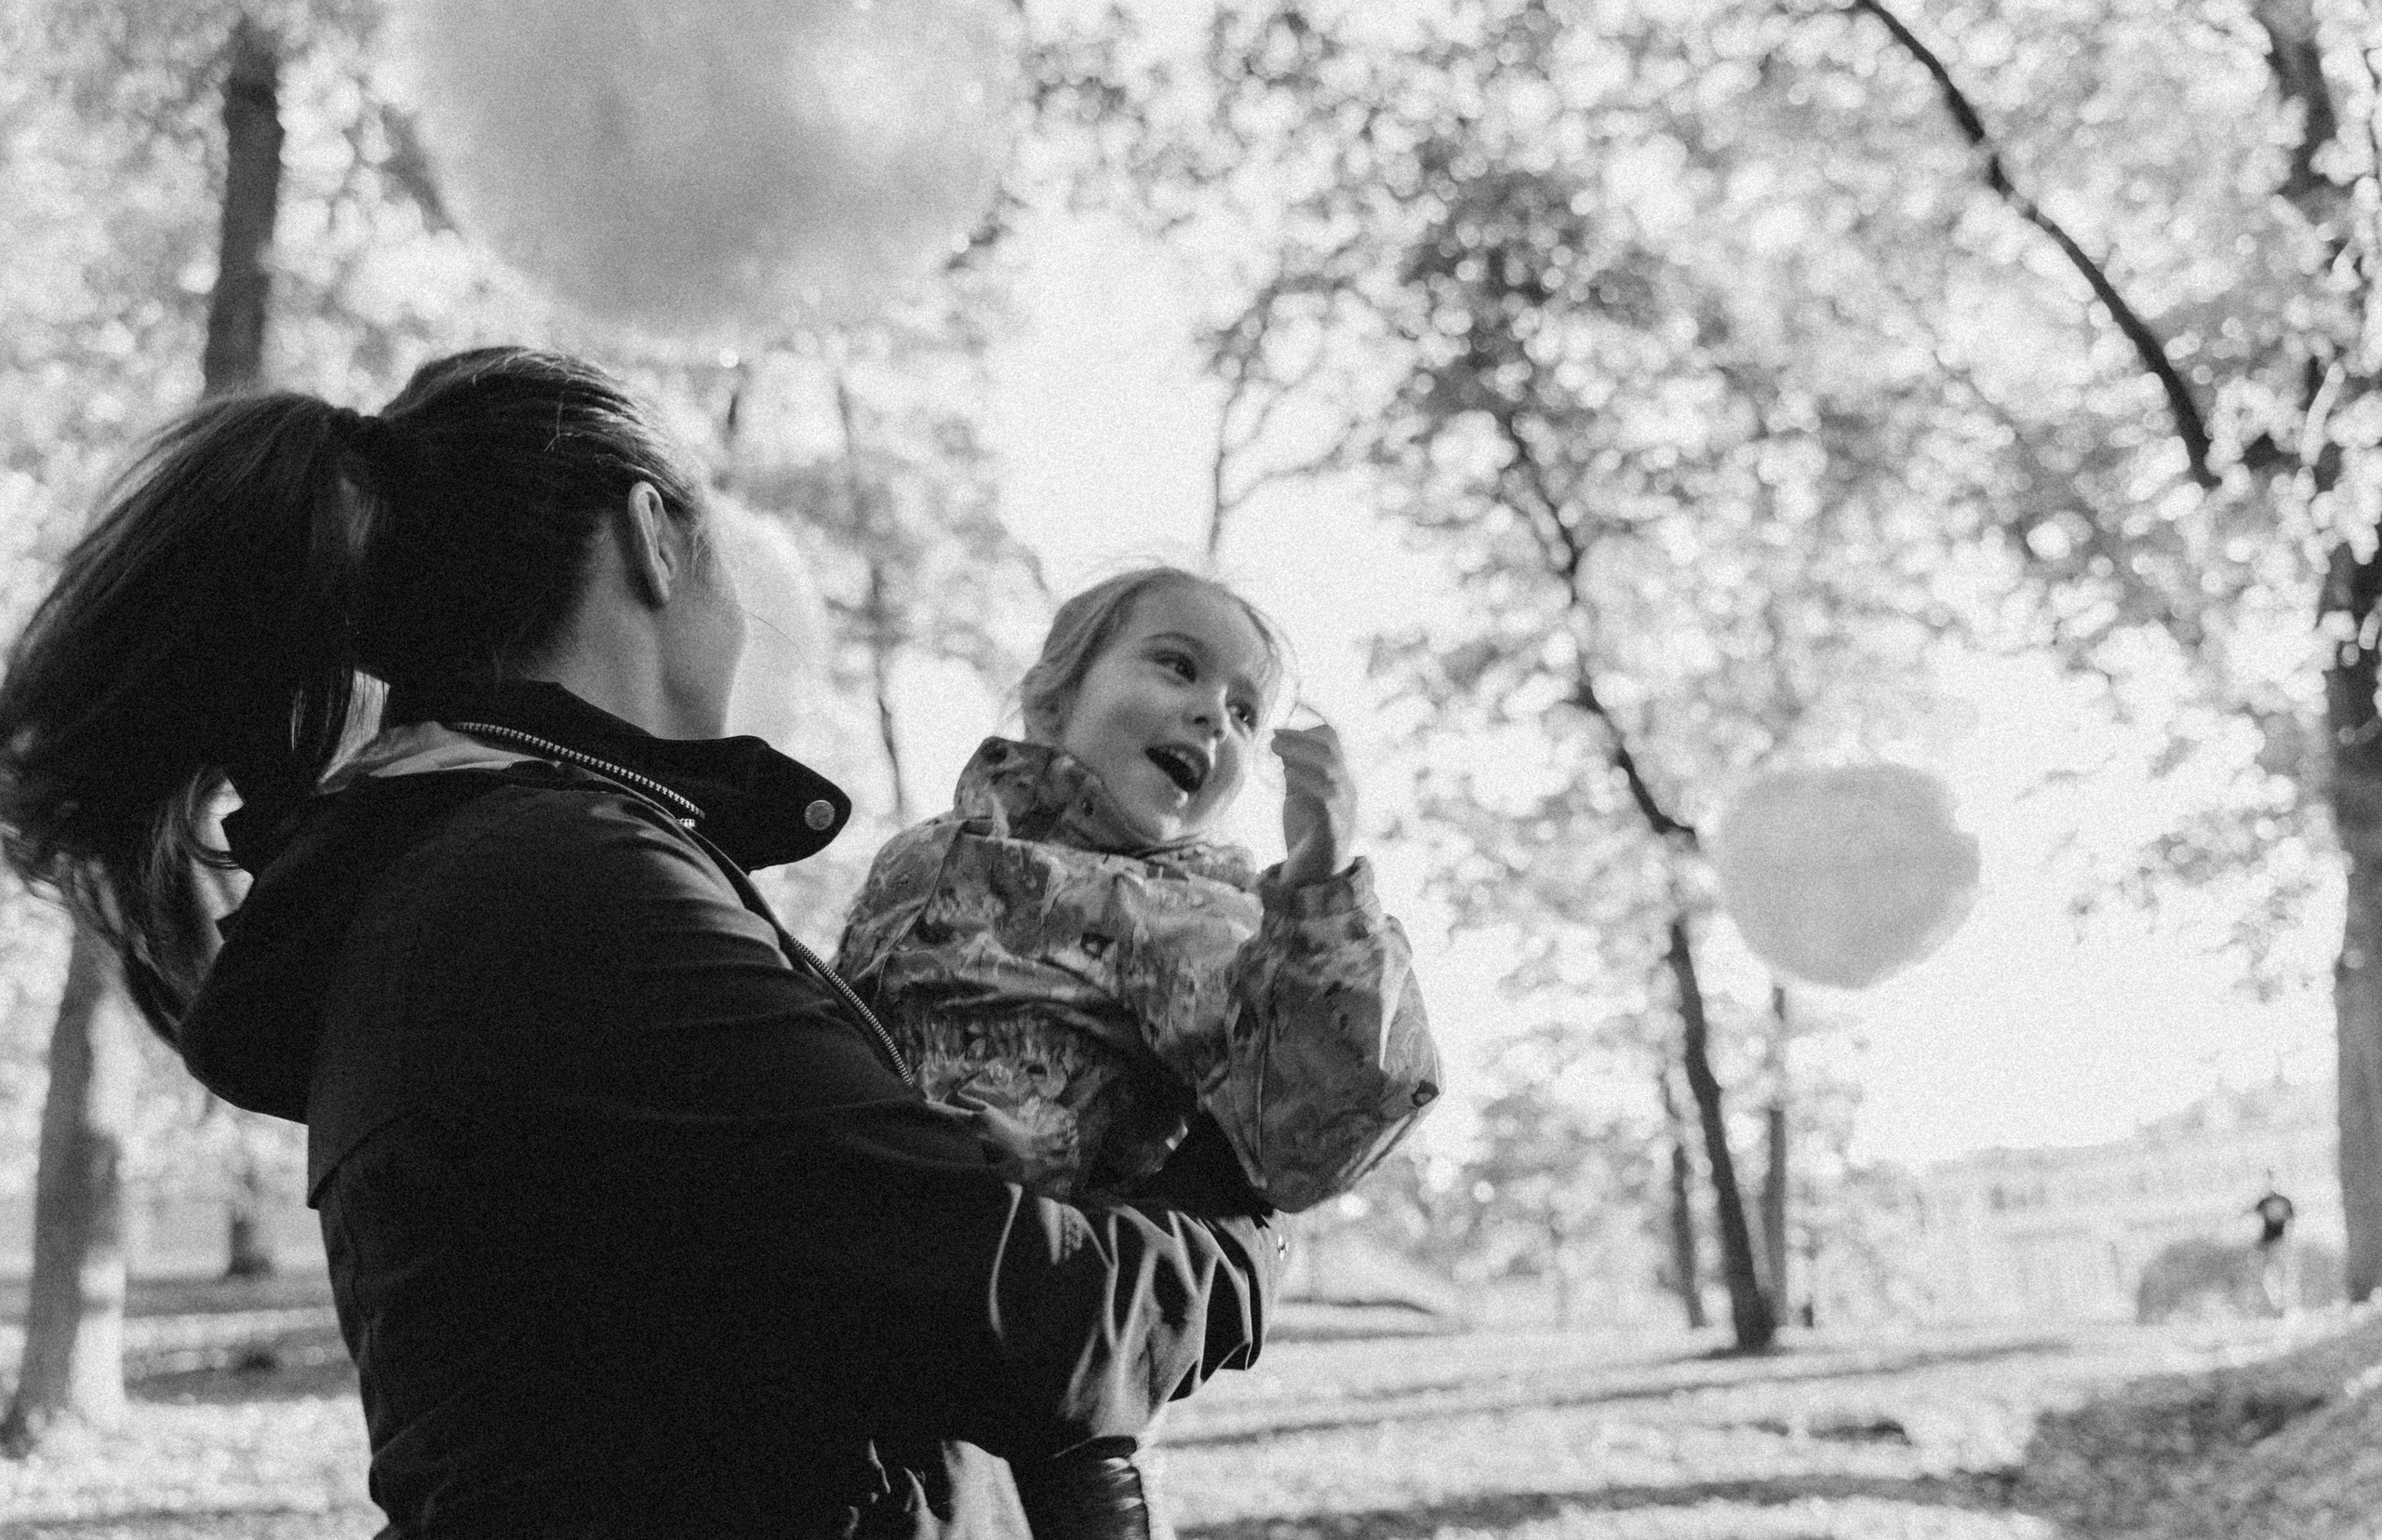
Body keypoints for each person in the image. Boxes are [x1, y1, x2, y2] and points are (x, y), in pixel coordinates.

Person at [0, 349, 1278, 1537]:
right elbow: (1027, 1320)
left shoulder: (491, 871)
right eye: (715, 523)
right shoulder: (565, 886)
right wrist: (1250, 1189)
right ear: (653, 537)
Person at [836, 567, 1441, 1537]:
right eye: (1178, 665)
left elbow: (1306, 1135)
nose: (1214, 715)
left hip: (1043, 1383)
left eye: (1246, 712)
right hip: (854, 1316)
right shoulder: (921, 853)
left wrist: (1322, 889)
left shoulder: (1194, 910)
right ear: (1052, 692)